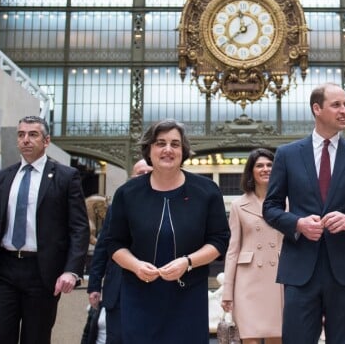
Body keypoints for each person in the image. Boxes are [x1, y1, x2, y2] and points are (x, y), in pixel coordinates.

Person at [263, 82, 345, 344]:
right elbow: (270, 208)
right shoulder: (287, 155)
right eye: (336, 105)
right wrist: (297, 223)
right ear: (317, 109)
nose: (344, 111)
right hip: (300, 269)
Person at [0, 115, 90, 344]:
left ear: (46, 141)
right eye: (21, 135)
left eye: (33, 134)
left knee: (36, 338)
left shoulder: (66, 177)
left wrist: (71, 270)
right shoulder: (2, 178)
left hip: (42, 273)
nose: (26, 140)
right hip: (3, 269)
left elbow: (79, 229)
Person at [107, 118, 230, 344]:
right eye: (160, 143)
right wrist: (135, 265)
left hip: (189, 297)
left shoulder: (206, 191)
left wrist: (188, 262)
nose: (167, 149)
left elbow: (220, 240)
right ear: (149, 150)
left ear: (183, 151)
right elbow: (114, 243)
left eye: (175, 144)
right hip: (139, 295)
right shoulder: (127, 193)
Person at [86, 158, 153, 344]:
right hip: (118, 290)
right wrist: (94, 286)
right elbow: (102, 249)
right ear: (132, 177)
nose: (145, 177)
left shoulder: (167, 206)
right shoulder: (118, 206)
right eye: (140, 173)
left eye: (149, 172)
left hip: (154, 290)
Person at [221, 148, 283, 344]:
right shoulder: (239, 205)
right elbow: (232, 250)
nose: (265, 169)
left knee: (277, 337)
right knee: (250, 339)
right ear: (251, 171)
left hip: (279, 278)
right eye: (259, 165)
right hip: (247, 281)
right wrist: (227, 291)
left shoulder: (288, 202)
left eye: (270, 165)